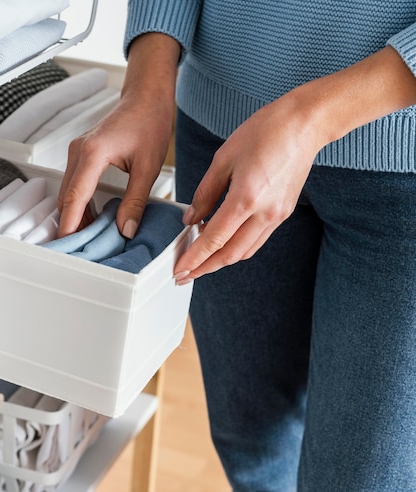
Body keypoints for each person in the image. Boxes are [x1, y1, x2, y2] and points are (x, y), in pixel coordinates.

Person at [57, 1, 416, 491]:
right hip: (222, 132)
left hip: (403, 174)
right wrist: (147, 85)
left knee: (363, 480)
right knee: (248, 443)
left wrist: (310, 119)